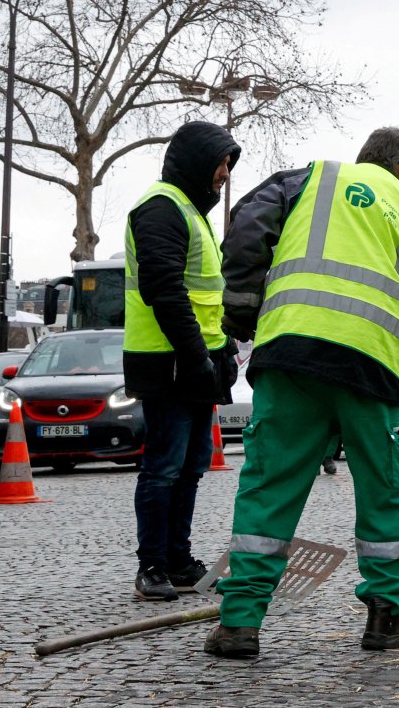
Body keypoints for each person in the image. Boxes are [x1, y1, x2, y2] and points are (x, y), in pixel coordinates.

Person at [204, 127, 399, 660]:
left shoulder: (308, 180)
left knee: (269, 488)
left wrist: (241, 310)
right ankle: (386, 616)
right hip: (369, 368)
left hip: (289, 356)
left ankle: (239, 623)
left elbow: (247, 224)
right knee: (383, 492)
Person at [123, 120, 242, 603]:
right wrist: (198, 357)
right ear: (198, 161)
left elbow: (207, 298)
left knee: (190, 465)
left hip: (194, 359)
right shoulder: (160, 208)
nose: (224, 174)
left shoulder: (191, 212)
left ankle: (177, 559)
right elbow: (165, 292)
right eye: (221, 164)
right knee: (165, 467)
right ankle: (152, 565)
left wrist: (225, 349)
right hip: (167, 361)